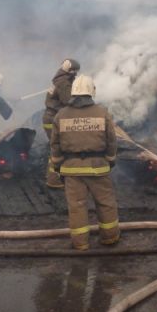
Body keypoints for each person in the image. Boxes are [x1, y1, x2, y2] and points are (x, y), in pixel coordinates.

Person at [49, 74, 120, 251]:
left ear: (73, 92)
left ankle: (80, 243)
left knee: (77, 207)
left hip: (72, 170)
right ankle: (109, 238)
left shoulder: (61, 115)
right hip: (98, 168)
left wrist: (58, 166)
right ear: (91, 92)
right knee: (105, 203)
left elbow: (55, 145)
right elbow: (111, 140)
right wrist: (110, 161)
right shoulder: (102, 113)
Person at [42, 58, 80, 188]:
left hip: (51, 118)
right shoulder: (64, 83)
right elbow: (67, 101)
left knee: (57, 147)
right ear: (71, 71)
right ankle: (54, 180)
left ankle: (55, 176)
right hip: (54, 119)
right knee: (59, 149)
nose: (76, 74)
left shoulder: (59, 79)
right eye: (75, 71)